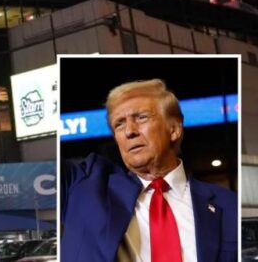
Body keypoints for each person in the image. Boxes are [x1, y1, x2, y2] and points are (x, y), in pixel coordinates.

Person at [61, 79, 237, 262]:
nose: (129, 131)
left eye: (141, 117)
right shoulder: (84, 185)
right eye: (119, 124)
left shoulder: (229, 205)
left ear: (174, 129)